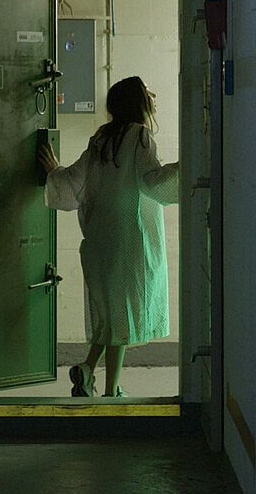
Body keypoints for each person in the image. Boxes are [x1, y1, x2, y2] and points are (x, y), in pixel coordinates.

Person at [37, 75, 180, 398]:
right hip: (128, 239)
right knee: (121, 317)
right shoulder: (140, 136)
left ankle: (88, 370)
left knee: (110, 313)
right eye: (148, 92)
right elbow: (152, 182)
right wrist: (185, 171)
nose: (153, 97)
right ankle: (111, 391)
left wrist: (54, 172)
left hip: (99, 240)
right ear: (137, 102)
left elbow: (74, 182)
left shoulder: (101, 138)